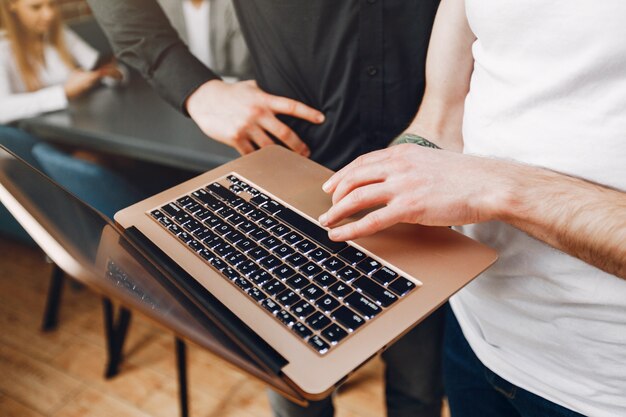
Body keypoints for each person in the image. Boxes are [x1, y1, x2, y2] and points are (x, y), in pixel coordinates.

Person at [87, 1, 445, 416]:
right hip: (292, 188)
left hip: (427, 186)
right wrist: (198, 90)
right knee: (300, 397)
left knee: (418, 388)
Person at [318, 0, 626, 416]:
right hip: (475, 329)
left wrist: (503, 186)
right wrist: (358, 214)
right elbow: (440, 119)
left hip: (601, 385)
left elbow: (485, 179)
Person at [0, 0, 125, 124]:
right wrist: (64, 93)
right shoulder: (3, 47)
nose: (49, 15)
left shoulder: (60, 34)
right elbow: (2, 110)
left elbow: (111, 69)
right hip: (31, 133)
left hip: (72, 126)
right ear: (11, 5)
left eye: (52, 4)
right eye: (36, 7)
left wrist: (107, 74)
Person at [156, 0, 253, 81]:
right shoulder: (165, 8)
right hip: (183, 85)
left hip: (225, 82)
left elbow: (240, 67)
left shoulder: (228, 6)